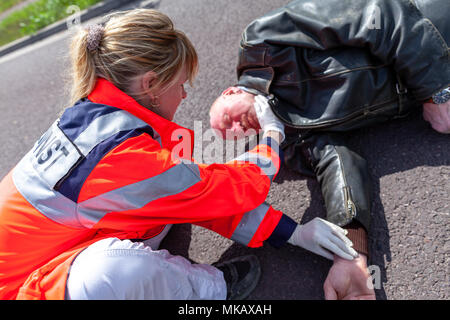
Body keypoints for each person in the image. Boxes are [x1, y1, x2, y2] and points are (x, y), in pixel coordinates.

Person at [0, 9, 358, 300]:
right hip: (23, 291)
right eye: (180, 84)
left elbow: (190, 193)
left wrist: (291, 232)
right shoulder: (121, 157)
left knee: (167, 203)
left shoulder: (95, 118)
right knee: (114, 273)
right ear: (150, 84)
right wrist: (272, 136)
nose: (185, 96)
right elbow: (227, 189)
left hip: (49, 255)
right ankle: (209, 290)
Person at [209, 0, 449, 300]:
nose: (236, 129)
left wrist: (436, 90)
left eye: (227, 119)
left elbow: (378, 12)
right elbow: (339, 168)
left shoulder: (262, 42)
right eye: (235, 135)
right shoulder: (291, 139)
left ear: (229, 91)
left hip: (435, 23)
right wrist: (350, 253)